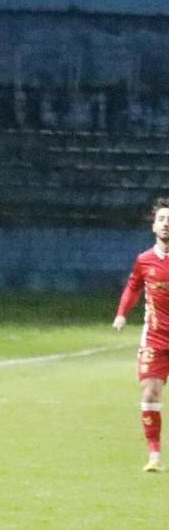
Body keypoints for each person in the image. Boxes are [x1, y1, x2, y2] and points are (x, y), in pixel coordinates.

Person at [113, 197, 169, 473]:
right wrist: (122, 313)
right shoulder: (144, 260)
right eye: (161, 219)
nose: (166, 223)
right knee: (149, 393)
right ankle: (155, 455)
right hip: (156, 338)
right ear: (153, 226)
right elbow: (133, 288)